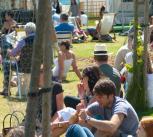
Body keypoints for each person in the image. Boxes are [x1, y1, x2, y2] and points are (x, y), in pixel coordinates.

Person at [66, 79, 139, 137]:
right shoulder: (100, 104)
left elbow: (112, 126)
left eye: (100, 97)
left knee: (105, 129)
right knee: (79, 127)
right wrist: (77, 113)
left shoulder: (121, 106)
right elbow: (75, 121)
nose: (97, 100)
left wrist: (88, 118)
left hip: (129, 135)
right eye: (96, 97)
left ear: (110, 95)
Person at [0, 22, 36, 96]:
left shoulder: (23, 41)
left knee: (6, 64)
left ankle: (6, 89)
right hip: (36, 66)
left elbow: (12, 54)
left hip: (23, 67)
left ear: (26, 31)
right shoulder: (40, 41)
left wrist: (9, 51)